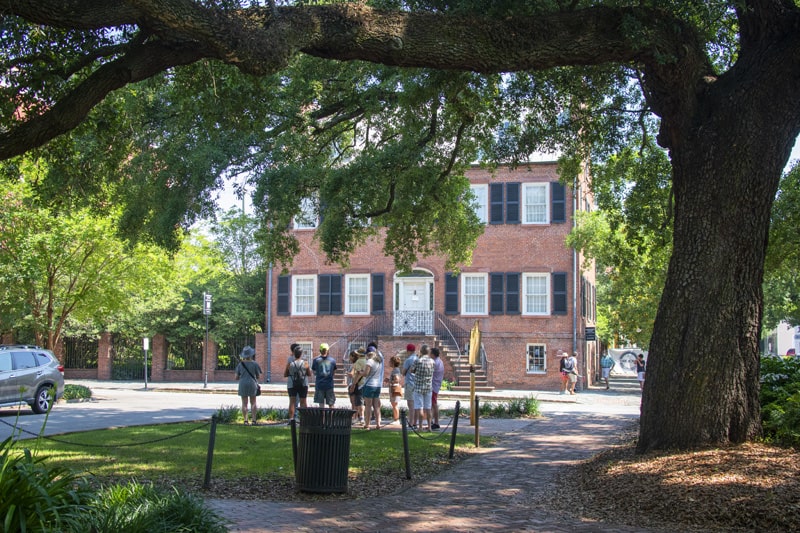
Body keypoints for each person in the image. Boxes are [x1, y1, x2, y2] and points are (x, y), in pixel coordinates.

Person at [234, 346, 262, 425]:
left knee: (244, 403)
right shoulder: (255, 364)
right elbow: (258, 376)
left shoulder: (240, 364)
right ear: (251, 355)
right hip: (252, 383)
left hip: (243, 383)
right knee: (253, 402)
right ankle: (254, 420)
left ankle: (245, 420)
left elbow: (236, 377)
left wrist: (242, 375)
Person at [411, 344, 435, 431]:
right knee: (428, 408)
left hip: (418, 387)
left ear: (421, 351)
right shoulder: (432, 361)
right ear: (428, 352)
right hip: (428, 387)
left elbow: (411, 370)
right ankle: (429, 426)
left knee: (419, 407)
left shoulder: (418, 361)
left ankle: (420, 426)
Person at [284, 345, 310, 423]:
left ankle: (291, 419)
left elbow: (285, 374)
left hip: (292, 384)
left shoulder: (290, 364)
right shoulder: (305, 363)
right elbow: (309, 374)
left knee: (292, 402)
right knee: (303, 401)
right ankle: (304, 419)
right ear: (301, 354)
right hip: (303, 384)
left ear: (294, 354)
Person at [361, 345, 384, 430]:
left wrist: (360, 373)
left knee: (368, 405)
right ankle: (378, 424)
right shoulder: (379, 362)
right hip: (377, 385)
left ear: (368, 353)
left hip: (369, 385)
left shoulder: (369, 361)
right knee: (376, 406)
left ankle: (367, 424)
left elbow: (366, 374)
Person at [311, 342, 337, 408]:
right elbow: (334, 372)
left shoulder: (316, 360)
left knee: (321, 404)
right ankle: (331, 418)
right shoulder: (332, 360)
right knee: (331, 404)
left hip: (319, 384)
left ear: (320, 350)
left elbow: (314, 372)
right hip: (329, 384)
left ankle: (322, 417)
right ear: (328, 350)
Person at [401, 343, 418, 428]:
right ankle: (415, 422)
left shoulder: (409, 360)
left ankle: (411, 423)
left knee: (410, 404)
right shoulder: (418, 358)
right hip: (417, 384)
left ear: (408, 351)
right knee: (415, 404)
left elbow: (403, 372)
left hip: (410, 383)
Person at [349, 348, 368, 424]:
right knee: (363, 402)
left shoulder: (358, 362)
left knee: (358, 402)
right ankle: (362, 417)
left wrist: (353, 384)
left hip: (359, 384)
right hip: (365, 383)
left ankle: (360, 417)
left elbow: (358, 374)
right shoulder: (367, 361)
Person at [430, 347, 444, 429]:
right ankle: (431, 420)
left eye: (430, 353)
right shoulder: (440, 361)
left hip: (434, 385)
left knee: (434, 404)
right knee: (432, 404)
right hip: (436, 384)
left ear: (433, 354)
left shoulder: (435, 362)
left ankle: (436, 422)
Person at [387, 354, 403, 424]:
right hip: (394, 388)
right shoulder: (396, 369)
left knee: (394, 404)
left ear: (393, 363)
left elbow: (397, 379)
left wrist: (389, 381)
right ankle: (395, 418)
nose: (389, 363)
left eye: (390, 361)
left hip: (395, 388)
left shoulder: (395, 370)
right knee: (394, 404)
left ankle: (396, 419)